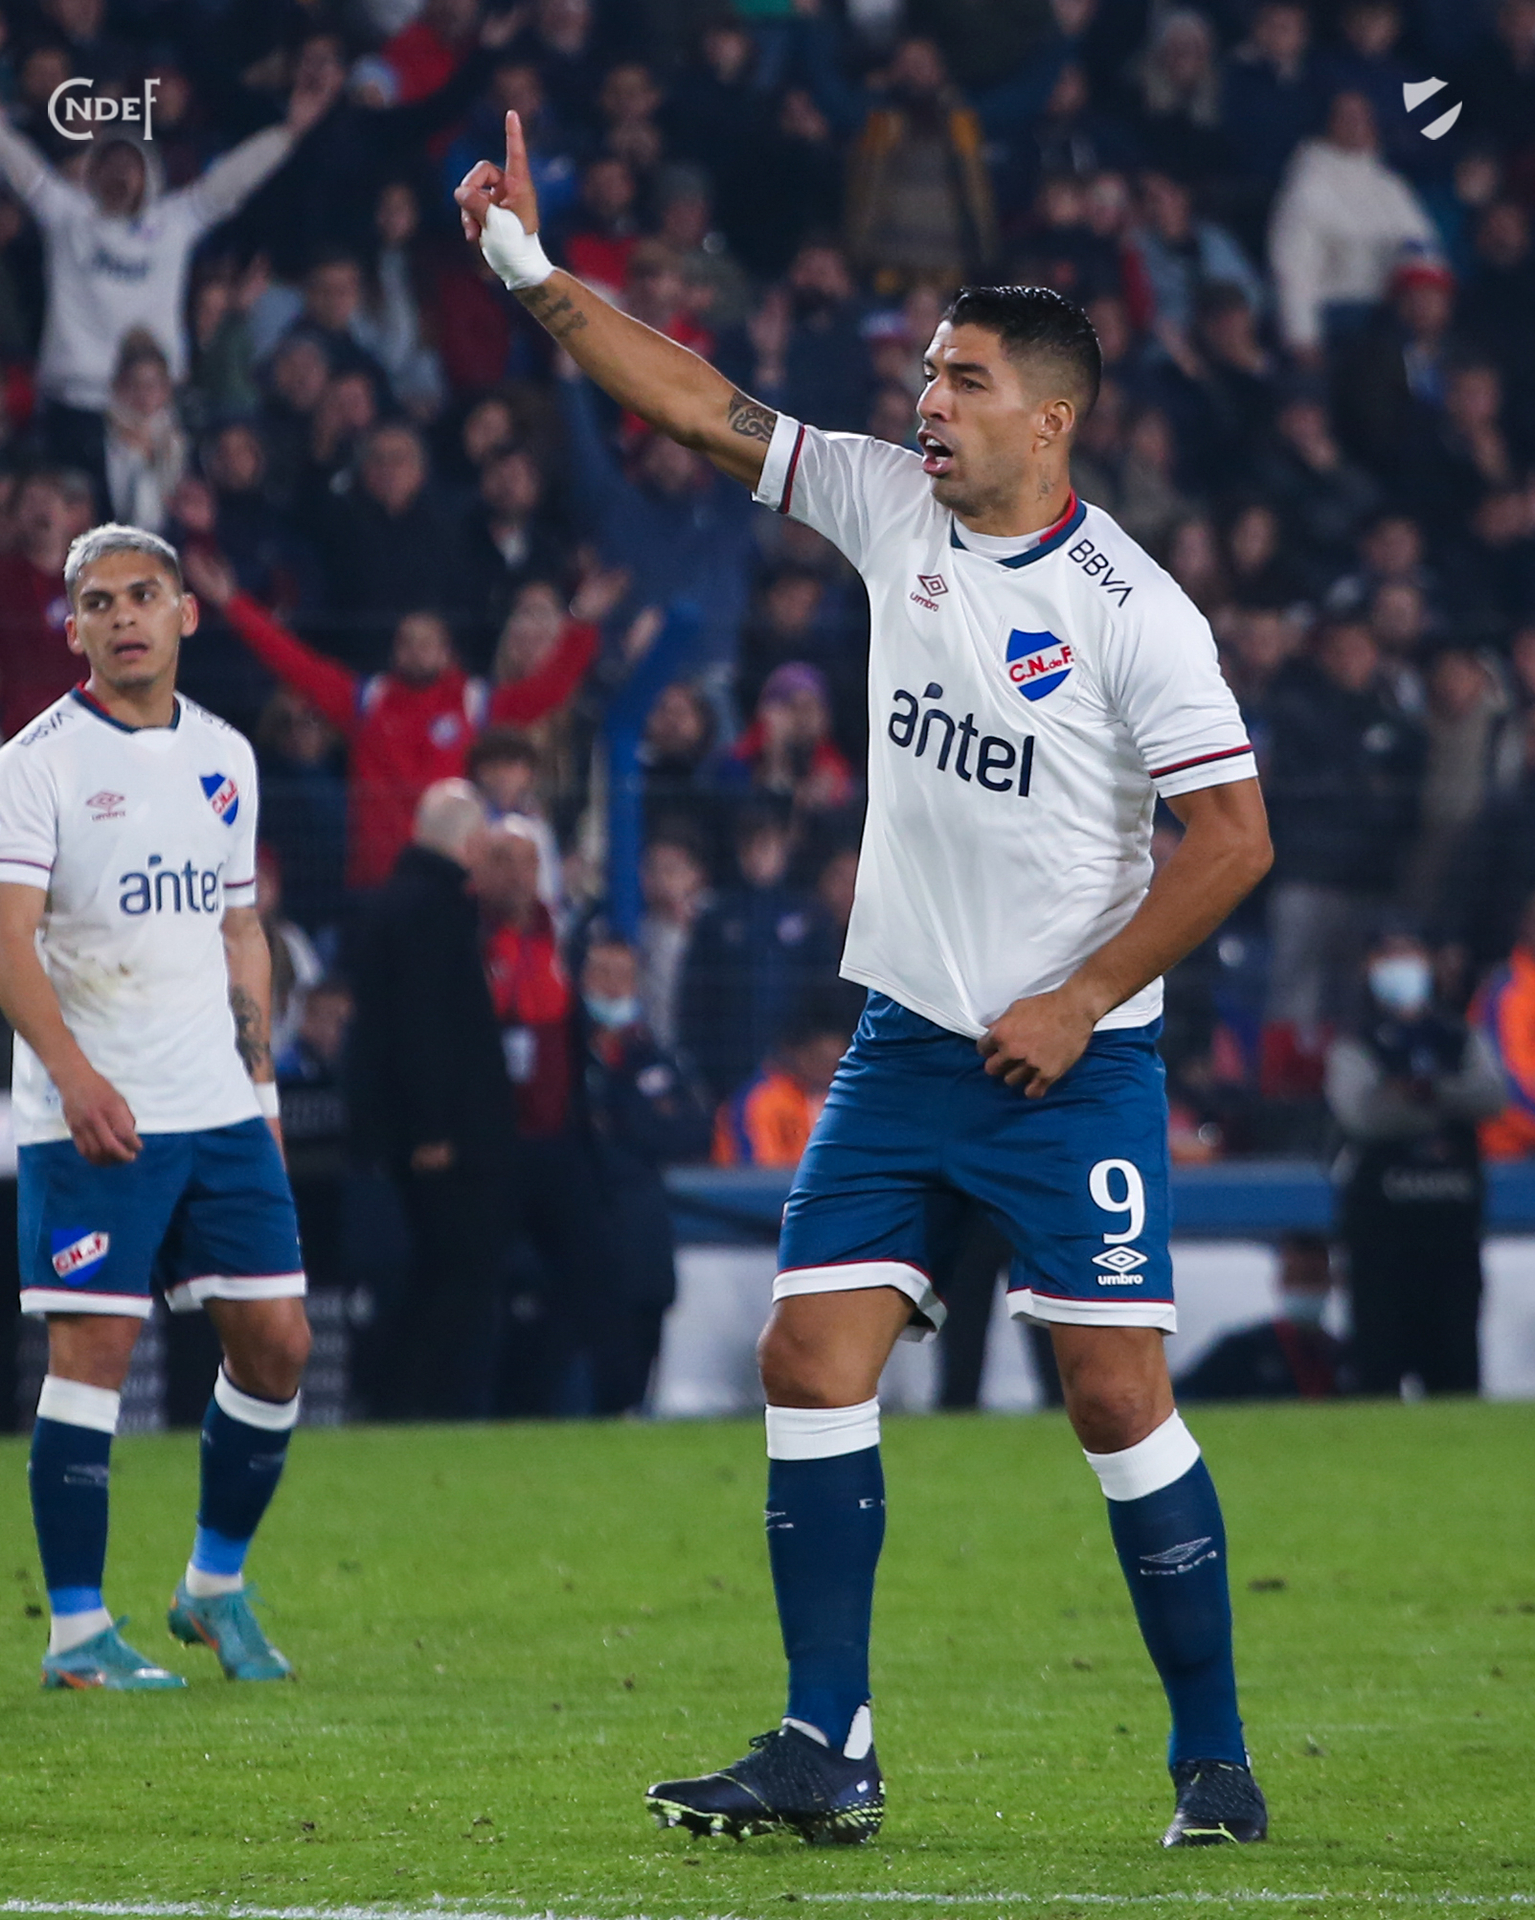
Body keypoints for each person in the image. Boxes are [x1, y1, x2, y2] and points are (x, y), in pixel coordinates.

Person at [459, 111, 1273, 1848]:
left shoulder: (1137, 611)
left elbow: (1232, 841)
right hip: (906, 1046)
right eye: (925, 371)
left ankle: (1212, 1760)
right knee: (808, 1360)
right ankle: (825, 1744)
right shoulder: (882, 496)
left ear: (1049, 419)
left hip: (1075, 1069)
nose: (928, 398)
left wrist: (1078, 1000)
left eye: (964, 379)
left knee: (1115, 1398)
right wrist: (528, 269)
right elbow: (699, 405)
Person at [0, 523, 309, 1688]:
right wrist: (74, 1076)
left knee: (277, 1344)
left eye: (143, 595)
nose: (122, 616)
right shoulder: (35, 765)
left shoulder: (225, 755)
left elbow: (240, 928)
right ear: (73, 627)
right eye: (98, 601)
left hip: (218, 1107)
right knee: (93, 1352)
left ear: (186, 614)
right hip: (93, 1113)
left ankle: (212, 1589)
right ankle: (77, 1634)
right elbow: (8, 941)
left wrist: (261, 1086)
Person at [183, 552, 597, 891]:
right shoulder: (367, 701)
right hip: (377, 884)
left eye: (427, 642)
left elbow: (547, 691)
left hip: (451, 880)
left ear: (446, 652)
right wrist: (232, 603)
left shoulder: (472, 703)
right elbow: (293, 662)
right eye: (407, 642)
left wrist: (584, 624)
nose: (416, 651)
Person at [0, 73, 337, 473]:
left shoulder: (173, 222)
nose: (120, 174)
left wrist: (286, 134)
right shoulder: (68, 216)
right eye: (111, 165)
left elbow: (230, 182)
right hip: (74, 402)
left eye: (130, 166)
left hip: (153, 406)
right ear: (94, 171)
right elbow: (25, 171)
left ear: (150, 173)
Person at [345, 779, 512, 1420]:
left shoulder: (395, 903)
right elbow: (427, 1030)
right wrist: (433, 1128)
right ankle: (415, 1402)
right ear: (468, 844)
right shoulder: (434, 911)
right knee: (451, 1274)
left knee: (436, 1272)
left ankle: (406, 1401)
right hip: (442, 1140)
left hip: (408, 1130)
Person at [1328, 931, 1505, 1397]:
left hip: (1453, 1231)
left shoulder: (1460, 1035)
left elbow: (1492, 1095)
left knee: (1456, 1365)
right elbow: (1362, 1113)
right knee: (1377, 1365)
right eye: (1390, 956)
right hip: (1381, 1237)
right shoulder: (1356, 1042)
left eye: (1410, 954)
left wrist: (1422, 1092)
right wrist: (1445, 1104)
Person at [577, 935, 710, 1411]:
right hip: (582, 1226)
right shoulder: (565, 1056)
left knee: (641, 1338)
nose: (613, 987)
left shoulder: (654, 1056)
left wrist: (622, 1119)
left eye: (623, 976)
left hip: (641, 1230)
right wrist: (644, 1119)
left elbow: (692, 1130)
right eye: (601, 974)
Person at [1177, 1233, 1354, 1401]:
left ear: (1331, 1282)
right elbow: (1184, 1395)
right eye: (1295, 1277)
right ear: (1280, 1281)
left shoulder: (1342, 1355)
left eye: (1313, 1278)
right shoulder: (1242, 1350)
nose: (1303, 1288)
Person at [712, 996, 854, 1169]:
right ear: (794, 1052)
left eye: (838, 1062)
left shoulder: (844, 1097)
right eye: (821, 1060)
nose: (830, 1071)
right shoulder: (760, 1101)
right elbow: (757, 1173)